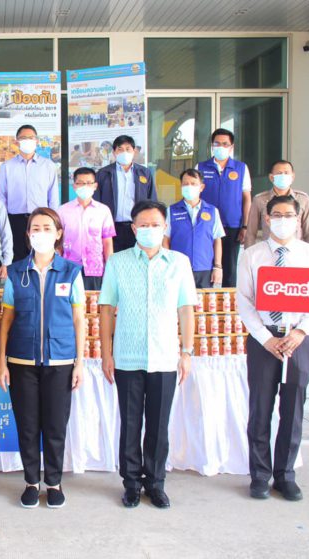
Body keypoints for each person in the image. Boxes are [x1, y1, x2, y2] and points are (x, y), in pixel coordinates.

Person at [98, 199, 197, 509]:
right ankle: (131, 484)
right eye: (144, 225)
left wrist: (187, 352)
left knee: (158, 425)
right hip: (127, 357)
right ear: (133, 228)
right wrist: (106, 354)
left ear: (165, 227)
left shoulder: (179, 262)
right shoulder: (118, 262)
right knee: (130, 424)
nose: (150, 229)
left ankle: (155, 483)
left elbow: (186, 309)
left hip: (165, 357)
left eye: (155, 224)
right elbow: (106, 309)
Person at [236, 195, 309, 502]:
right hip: (264, 340)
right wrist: (266, 338)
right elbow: (244, 302)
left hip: (298, 339)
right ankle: (260, 475)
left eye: (289, 215)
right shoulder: (252, 255)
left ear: (298, 220)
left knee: (293, 409)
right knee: (260, 409)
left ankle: (285, 475)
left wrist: (300, 332)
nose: (283, 220)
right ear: (267, 219)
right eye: (277, 215)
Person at [0, 208, 85, 509]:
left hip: (60, 361)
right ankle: (31, 482)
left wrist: (79, 362)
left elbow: (78, 320)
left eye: (47, 228)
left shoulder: (71, 272)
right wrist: (2, 363)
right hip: (22, 361)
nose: (41, 233)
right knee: (28, 425)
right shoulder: (16, 272)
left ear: (58, 233)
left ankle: (54, 483)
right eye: (35, 228)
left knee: (56, 426)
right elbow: (6, 320)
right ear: (28, 234)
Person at [0, 125, 60, 262]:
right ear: (17, 141)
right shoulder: (7, 167)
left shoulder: (48, 166)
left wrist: (53, 222)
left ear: (36, 141)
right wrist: (3, 221)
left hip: (41, 220)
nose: (27, 141)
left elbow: (53, 197)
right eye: (23, 138)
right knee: (17, 258)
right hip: (15, 220)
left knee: (41, 257)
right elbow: (1, 196)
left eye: (31, 138)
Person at [197, 128, 252, 287]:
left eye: (225, 144)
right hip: (206, 225)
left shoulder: (241, 168)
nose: (221, 147)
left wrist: (245, 226)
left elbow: (246, 198)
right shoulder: (201, 167)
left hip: (232, 225)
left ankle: (229, 301)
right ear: (212, 146)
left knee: (230, 269)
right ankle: (205, 300)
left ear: (231, 147)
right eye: (217, 143)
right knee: (206, 267)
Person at [94, 135, 157, 253]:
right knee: (113, 260)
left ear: (134, 151)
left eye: (128, 149)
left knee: (137, 259)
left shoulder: (144, 173)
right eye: (120, 149)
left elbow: (152, 201)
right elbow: (96, 202)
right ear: (114, 152)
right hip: (111, 228)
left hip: (137, 227)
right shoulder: (104, 173)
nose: (124, 152)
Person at [163, 169, 225, 288]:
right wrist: (167, 264)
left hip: (204, 268)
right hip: (178, 267)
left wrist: (218, 267)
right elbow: (165, 240)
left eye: (193, 183)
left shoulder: (212, 211)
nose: (189, 187)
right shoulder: (171, 211)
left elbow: (217, 240)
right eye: (185, 184)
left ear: (201, 187)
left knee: (203, 300)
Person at [58, 167, 116, 290]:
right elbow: (58, 242)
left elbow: (107, 243)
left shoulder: (103, 210)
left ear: (95, 186)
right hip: (68, 268)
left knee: (93, 301)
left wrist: (110, 269)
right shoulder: (62, 211)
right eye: (80, 183)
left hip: (95, 269)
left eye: (89, 183)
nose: (85, 186)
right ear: (74, 186)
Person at [245, 160, 309, 248]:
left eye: (286, 173)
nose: (283, 176)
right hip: (268, 250)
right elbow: (251, 233)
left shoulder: (303, 199)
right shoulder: (259, 200)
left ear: (292, 177)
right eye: (279, 173)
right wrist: (248, 253)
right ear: (271, 177)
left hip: (296, 250)